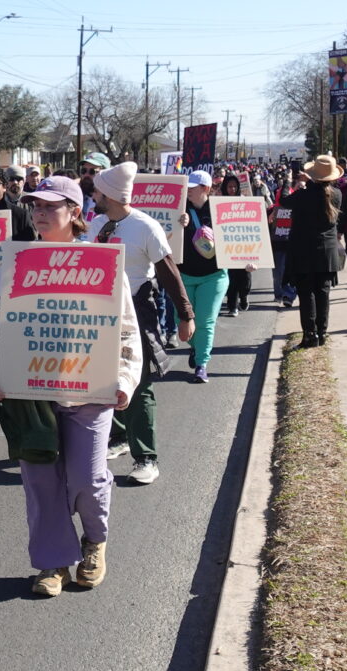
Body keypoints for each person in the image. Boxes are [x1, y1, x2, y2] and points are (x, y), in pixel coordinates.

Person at [0, 176, 142, 596]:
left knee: (87, 477)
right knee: (42, 483)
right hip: (30, 397)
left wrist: (124, 379)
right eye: (36, 206)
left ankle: (94, 542)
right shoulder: (16, 263)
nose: (40, 213)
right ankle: (53, 563)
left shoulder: (102, 263)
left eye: (51, 206)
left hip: (89, 392)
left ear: (75, 212)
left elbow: (125, 329)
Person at [89, 162, 195, 484]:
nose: (93, 196)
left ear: (109, 195)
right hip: (100, 312)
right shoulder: (96, 224)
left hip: (136, 311)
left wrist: (185, 315)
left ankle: (146, 458)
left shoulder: (146, 227)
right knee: (104, 380)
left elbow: (168, 272)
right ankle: (119, 437)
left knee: (139, 383)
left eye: (97, 191)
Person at [280, 155, 345, 348]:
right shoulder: (337, 194)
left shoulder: (303, 195)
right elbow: (321, 194)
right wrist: (309, 182)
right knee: (323, 292)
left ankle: (310, 334)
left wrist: (289, 181)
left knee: (306, 292)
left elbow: (284, 200)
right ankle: (322, 332)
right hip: (327, 250)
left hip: (304, 250)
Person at [177, 171, 229, 383]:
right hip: (184, 275)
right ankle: (196, 347)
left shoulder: (220, 210)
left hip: (214, 276)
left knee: (205, 321)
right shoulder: (179, 209)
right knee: (182, 322)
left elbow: (236, 239)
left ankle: (201, 364)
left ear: (206, 189)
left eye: (193, 187)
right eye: (187, 187)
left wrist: (246, 261)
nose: (188, 191)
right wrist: (178, 224)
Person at [219, 175, 256, 316]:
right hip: (227, 245)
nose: (232, 189)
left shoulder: (244, 201)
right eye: (229, 186)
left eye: (235, 186)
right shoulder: (219, 202)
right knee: (231, 277)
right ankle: (232, 306)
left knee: (245, 277)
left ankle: (244, 296)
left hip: (244, 244)